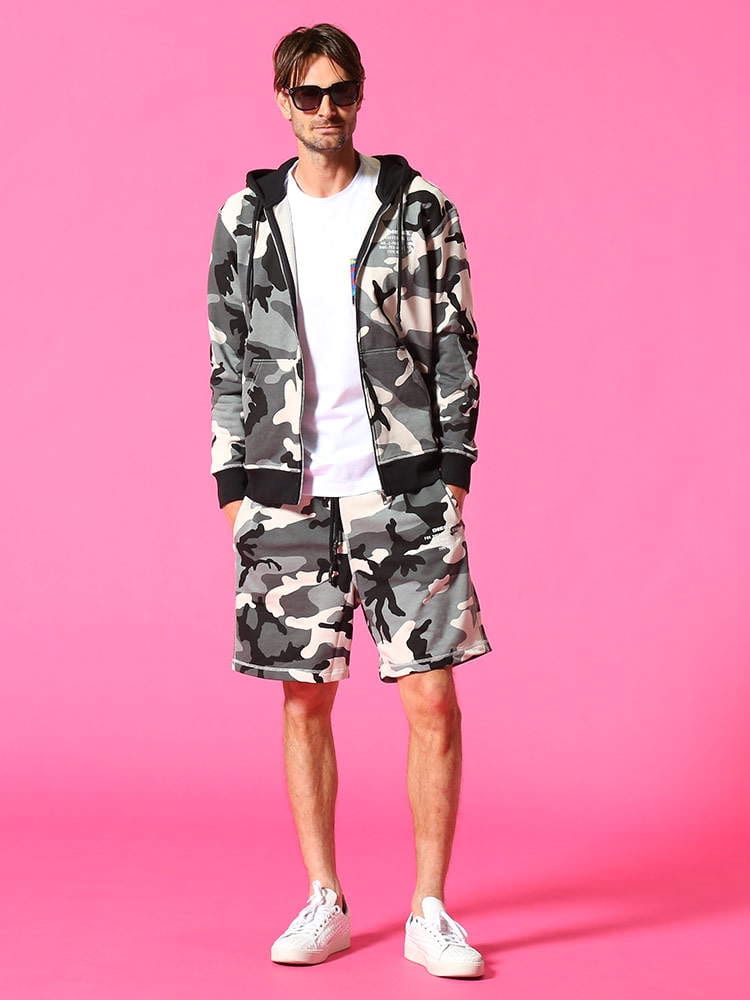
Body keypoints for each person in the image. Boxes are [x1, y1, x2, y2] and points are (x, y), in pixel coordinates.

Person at [207, 22, 491, 978]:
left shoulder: (418, 205)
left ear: (360, 94)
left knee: (433, 700)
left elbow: (456, 341)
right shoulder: (248, 218)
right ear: (282, 101)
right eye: (309, 94)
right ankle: (324, 897)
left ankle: (429, 910)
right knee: (304, 702)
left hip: (402, 488)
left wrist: (452, 468)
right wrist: (233, 487)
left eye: (341, 91)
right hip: (287, 495)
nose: (327, 109)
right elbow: (226, 354)